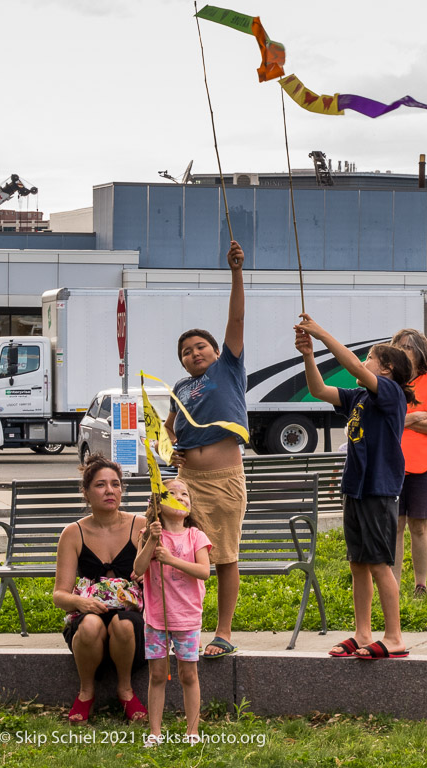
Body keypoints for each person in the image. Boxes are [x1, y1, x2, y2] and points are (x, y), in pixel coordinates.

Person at [294, 314, 414, 660]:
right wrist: (307, 354)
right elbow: (319, 390)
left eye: (372, 358)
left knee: (379, 563)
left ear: (387, 368)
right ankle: (363, 633)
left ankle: (394, 637)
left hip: (378, 489)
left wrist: (322, 334)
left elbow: (355, 369)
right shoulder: (359, 398)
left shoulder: (389, 394)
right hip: (356, 489)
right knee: (358, 563)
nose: (365, 363)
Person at [164, 239, 247, 658]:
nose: (194, 353)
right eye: (186, 351)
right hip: (184, 482)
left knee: (224, 556)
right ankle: (176, 624)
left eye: (200, 347)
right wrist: (173, 451)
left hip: (222, 480)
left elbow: (236, 317)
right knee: (171, 547)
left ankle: (224, 631)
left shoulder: (228, 370)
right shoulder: (180, 387)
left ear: (215, 351)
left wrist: (235, 270)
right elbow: (167, 431)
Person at [53, 454, 148, 724]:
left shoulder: (139, 526)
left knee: (124, 624)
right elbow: (59, 595)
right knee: (92, 625)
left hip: (130, 619)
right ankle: (86, 692)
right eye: (100, 485)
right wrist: (82, 604)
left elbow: (160, 574)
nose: (110, 491)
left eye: (116, 484)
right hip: (88, 617)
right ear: (86, 492)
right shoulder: (73, 533)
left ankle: (125, 690)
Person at [134, 478, 211, 747]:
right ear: (158, 505)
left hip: (187, 619)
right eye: (172, 493)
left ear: (190, 506)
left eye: (185, 494)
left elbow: (204, 571)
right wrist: (151, 542)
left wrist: (171, 559)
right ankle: (155, 733)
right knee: (157, 675)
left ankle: (192, 731)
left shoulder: (196, 536)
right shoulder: (150, 535)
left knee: (188, 675)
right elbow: (139, 568)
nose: (180, 497)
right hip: (156, 619)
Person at [390, 329, 427, 596]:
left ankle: (420, 585)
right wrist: (414, 418)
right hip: (392, 465)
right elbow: (387, 424)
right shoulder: (391, 384)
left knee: (419, 525)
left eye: (408, 347)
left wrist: (403, 422)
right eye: (399, 346)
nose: (403, 351)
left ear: (421, 353)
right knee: (396, 526)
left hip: (425, 465)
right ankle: (394, 586)